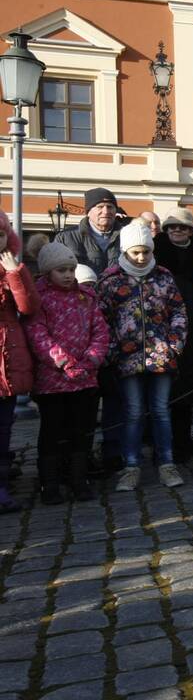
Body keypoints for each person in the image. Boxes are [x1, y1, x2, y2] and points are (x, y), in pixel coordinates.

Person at [97, 221, 188, 490]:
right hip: (127, 357)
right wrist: (112, 350)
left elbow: (179, 313)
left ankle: (167, 463)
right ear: (125, 252)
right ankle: (131, 466)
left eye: (145, 252)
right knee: (133, 411)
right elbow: (101, 320)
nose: (141, 257)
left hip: (161, 356)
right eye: (135, 252)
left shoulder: (163, 276)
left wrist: (173, 345)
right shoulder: (110, 280)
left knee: (160, 410)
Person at [24, 242, 108, 504]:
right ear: (48, 272)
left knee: (81, 429)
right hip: (52, 380)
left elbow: (100, 331)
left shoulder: (87, 297)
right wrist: (64, 362)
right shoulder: (38, 298)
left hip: (85, 378)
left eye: (71, 269)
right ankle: (50, 483)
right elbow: (38, 335)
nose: (69, 274)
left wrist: (91, 360)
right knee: (52, 430)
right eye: (62, 270)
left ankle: (78, 479)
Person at [154, 207, 193, 462]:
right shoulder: (157, 248)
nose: (176, 231)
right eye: (171, 227)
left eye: (182, 227)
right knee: (166, 390)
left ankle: (184, 439)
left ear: (191, 230)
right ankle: (165, 446)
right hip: (165, 326)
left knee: (188, 385)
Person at [0, 211, 39, 512]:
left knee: (4, 425)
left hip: (9, 356)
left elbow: (28, 307)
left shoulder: (15, 267)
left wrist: (15, 273)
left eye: (1, 233)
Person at [56, 187, 127, 275]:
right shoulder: (66, 237)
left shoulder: (127, 235)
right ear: (88, 212)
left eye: (110, 207)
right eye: (100, 207)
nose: (106, 211)